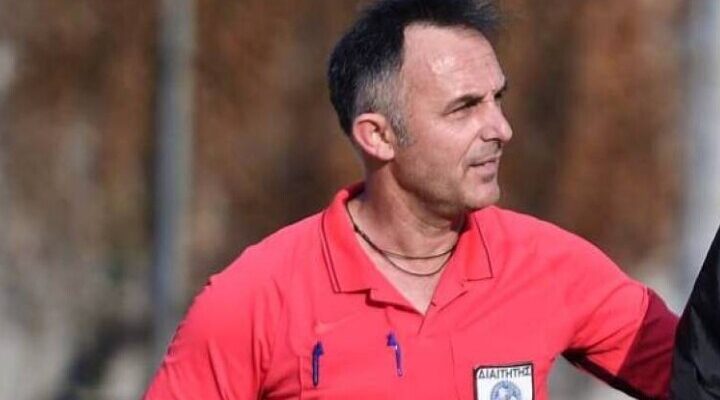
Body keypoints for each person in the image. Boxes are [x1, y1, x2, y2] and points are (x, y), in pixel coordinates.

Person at [144, 0, 678, 399]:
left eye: (497, 99)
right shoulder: (255, 298)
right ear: (378, 136)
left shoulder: (552, 267)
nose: (501, 128)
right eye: (464, 108)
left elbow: (699, 374)